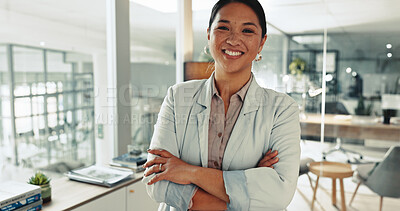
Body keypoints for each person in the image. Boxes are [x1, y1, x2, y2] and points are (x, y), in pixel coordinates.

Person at [142, 0, 300, 210]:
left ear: (261, 43)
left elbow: (279, 192)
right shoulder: (177, 97)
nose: (234, 39)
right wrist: (247, 186)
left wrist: (189, 172)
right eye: (223, 27)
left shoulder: (282, 109)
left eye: (247, 31)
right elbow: (156, 181)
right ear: (209, 35)